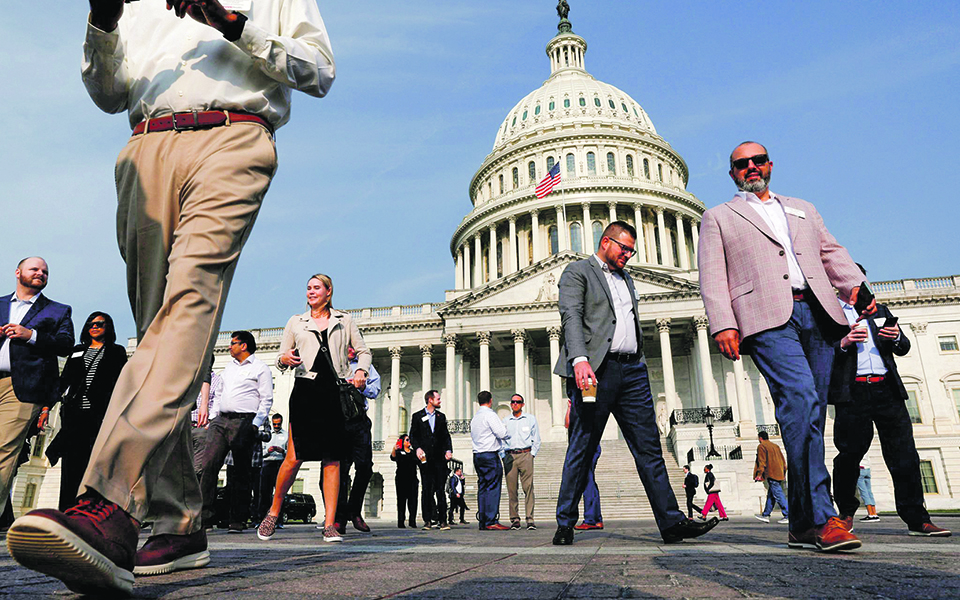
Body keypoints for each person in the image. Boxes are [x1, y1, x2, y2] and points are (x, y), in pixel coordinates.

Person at [7, 1, 336, 593]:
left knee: (185, 311)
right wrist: (103, 22)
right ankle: (180, 522)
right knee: (161, 337)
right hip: (144, 148)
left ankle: (107, 498)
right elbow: (109, 93)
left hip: (232, 139)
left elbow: (317, 70)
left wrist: (230, 23)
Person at [698, 141, 874, 553]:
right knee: (801, 399)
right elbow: (712, 274)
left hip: (817, 312)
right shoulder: (718, 216)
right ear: (732, 174)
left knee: (808, 417)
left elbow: (831, 253)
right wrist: (723, 322)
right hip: (765, 318)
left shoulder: (803, 208)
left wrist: (858, 291)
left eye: (757, 160)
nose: (751, 168)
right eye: (742, 164)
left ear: (770, 165)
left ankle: (798, 524)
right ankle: (822, 517)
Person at [553, 221, 717, 546]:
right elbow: (570, 316)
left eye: (632, 250)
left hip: (632, 372)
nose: (629, 255)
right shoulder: (578, 272)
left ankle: (672, 523)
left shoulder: (627, 277)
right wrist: (579, 359)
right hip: (594, 372)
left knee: (650, 448)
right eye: (624, 248)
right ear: (605, 241)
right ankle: (565, 522)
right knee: (582, 447)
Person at [830, 266, 950, 537]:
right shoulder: (830, 314)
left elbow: (904, 345)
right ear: (840, 283)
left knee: (905, 455)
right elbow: (823, 353)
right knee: (849, 456)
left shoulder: (880, 310)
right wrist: (845, 341)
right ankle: (846, 514)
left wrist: (895, 337)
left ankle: (918, 519)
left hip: (888, 390)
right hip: (854, 393)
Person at [257, 274, 370, 544]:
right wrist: (285, 359)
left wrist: (362, 370)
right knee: (294, 457)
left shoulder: (344, 320)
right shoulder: (296, 321)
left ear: (329, 292)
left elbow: (363, 351)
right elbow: (282, 357)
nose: (311, 291)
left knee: (333, 459)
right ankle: (273, 512)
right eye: (308, 288)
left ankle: (330, 523)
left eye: (316, 287)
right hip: (306, 391)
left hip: (335, 392)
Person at [0, 257, 74, 520]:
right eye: (35, 269)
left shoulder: (57, 310)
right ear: (18, 272)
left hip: (21, 388)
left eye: (45, 271)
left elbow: (66, 345)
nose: (41, 273)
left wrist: (30, 335)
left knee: (4, 452)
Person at [43, 312, 127, 511]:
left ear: (108, 327)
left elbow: (121, 384)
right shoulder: (77, 350)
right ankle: (66, 509)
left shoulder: (116, 351)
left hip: (99, 416)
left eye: (99, 324)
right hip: (74, 414)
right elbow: (64, 381)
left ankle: (90, 509)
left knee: (94, 463)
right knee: (70, 464)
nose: (94, 327)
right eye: (90, 323)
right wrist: (47, 407)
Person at [198, 331, 273, 533]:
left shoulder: (260, 368)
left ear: (244, 346)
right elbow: (220, 392)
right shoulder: (228, 368)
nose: (229, 346)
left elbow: (266, 399)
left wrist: (256, 424)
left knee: (241, 471)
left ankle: (238, 519)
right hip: (221, 420)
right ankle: (204, 518)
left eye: (233, 343)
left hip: (245, 421)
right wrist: (213, 417)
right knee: (208, 466)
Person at [333, 346, 381, 534]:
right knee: (340, 471)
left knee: (365, 467)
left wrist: (363, 386)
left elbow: (375, 390)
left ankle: (354, 510)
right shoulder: (334, 364)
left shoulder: (365, 366)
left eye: (354, 345)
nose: (351, 349)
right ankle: (339, 518)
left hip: (359, 421)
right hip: (338, 422)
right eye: (347, 345)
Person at [409, 390, 454, 530]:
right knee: (427, 489)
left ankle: (443, 521)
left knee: (440, 489)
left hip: (439, 458)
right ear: (430, 400)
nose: (440, 401)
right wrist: (417, 448)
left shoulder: (441, 416)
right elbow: (413, 435)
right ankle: (427, 520)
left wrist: (448, 450)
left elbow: (446, 436)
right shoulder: (417, 416)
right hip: (425, 458)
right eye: (438, 398)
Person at [471, 391, 510, 531]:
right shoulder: (490, 415)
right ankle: (492, 520)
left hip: (477, 455)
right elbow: (502, 433)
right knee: (493, 486)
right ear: (490, 401)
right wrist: (506, 431)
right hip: (489, 454)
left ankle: (483, 520)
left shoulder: (475, 417)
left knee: (483, 487)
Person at [502, 393, 541, 530]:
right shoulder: (505, 421)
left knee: (528, 488)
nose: (515, 404)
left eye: (518, 402)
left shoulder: (530, 419)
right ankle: (515, 519)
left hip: (525, 454)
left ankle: (530, 519)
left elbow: (536, 438)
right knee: (512, 490)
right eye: (512, 402)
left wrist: (532, 455)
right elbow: (500, 439)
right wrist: (503, 455)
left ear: (522, 404)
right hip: (510, 455)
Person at [566, 399, 603, 531]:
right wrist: (570, 407)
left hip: (587, 447)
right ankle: (596, 518)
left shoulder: (590, 407)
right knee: (589, 481)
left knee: (587, 482)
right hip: (584, 447)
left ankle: (591, 519)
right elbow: (567, 424)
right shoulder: (577, 408)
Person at [192, 360, 222, 478]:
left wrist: (211, 423)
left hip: (202, 429)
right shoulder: (192, 378)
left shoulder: (218, 381)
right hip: (186, 427)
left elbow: (219, 405)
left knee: (197, 469)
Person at [257, 414, 287, 524]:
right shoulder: (267, 436)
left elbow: (290, 454)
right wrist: (268, 451)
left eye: (278, 424)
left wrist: (282, 451)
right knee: (265, 492)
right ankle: (262, 518)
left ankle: (279, 520)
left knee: (280, 491)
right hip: (267, 463)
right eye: (274, 424)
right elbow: (261, 452)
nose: (276, 426)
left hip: (280, 463)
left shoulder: (286, 435)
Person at [753, 431, 789, 524]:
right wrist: (784, 472)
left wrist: (759, 474)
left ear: (760, 438)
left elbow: (762, 461)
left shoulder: (762, 446)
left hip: (771, 473)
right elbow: (783, 460)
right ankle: (766, 514)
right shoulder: (775, 446)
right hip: (779, 473)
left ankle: (788, 514)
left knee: (778, 494)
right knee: (771, 495)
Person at [390, 434, 419, 528]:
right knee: (401, 501)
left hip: (412, 479)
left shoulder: (413, 452)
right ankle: (401, 521)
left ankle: (412, 521)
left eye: (409, 439)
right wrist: (394, 448)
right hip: (401, 479)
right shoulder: (399, 452)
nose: (409, 441)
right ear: (402, 441)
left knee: (413, 501)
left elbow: (421, 462)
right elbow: (393, 457)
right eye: (407, 440)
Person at [855, 457, 878, 522]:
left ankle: (870, 514)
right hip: (867, 469)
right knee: (869, 492)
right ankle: (874, 514)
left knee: (864, 492)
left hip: (861, 468)